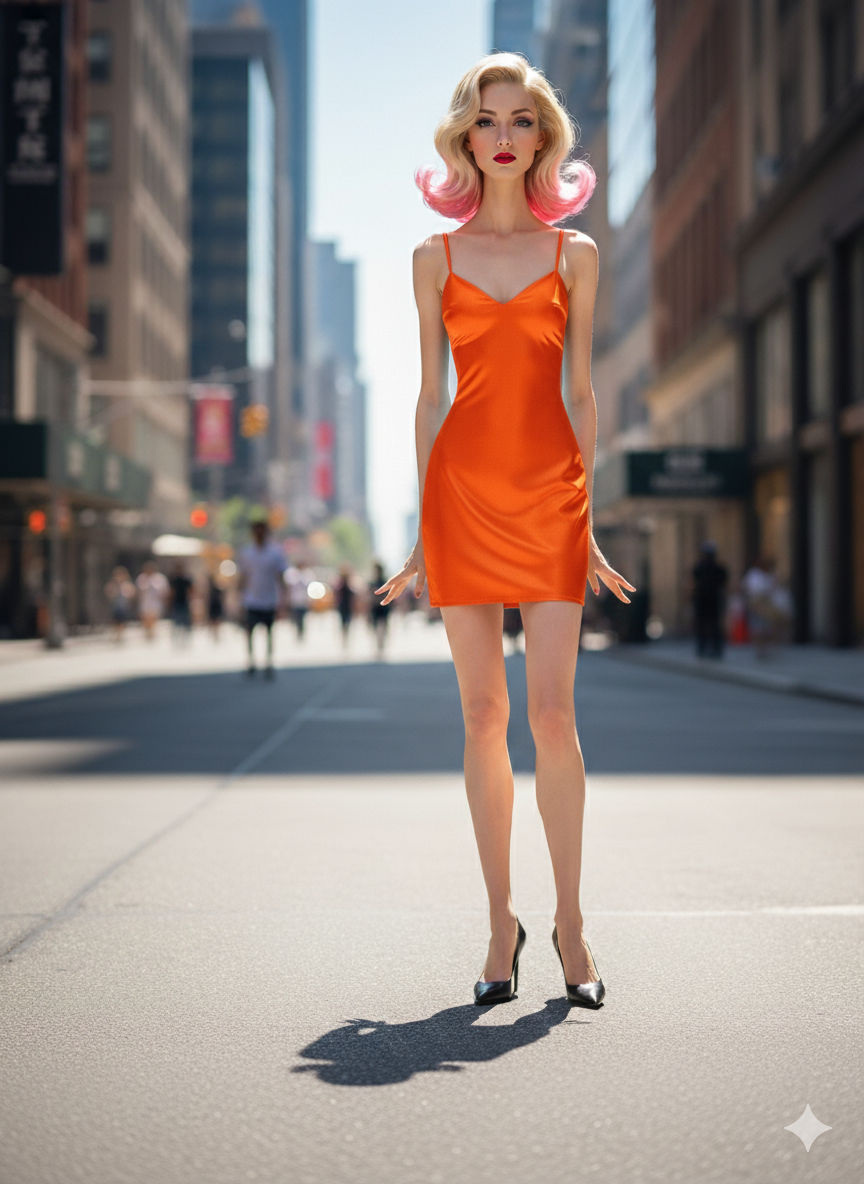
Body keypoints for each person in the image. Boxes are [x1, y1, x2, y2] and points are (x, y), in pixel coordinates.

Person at [374, 53, 636, 1008]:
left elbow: (583, 393)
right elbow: (429, 397)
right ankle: (500, 924)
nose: (503, 136)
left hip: (551, 497)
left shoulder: (576, 256)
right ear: (465, 136)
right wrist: (420, 529)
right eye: (487, 120)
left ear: (542, 138)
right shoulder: (431, 259)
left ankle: (571, 923)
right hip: (463, 498)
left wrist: (587, 519)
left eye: (521, 120)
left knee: (552, 716)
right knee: (483, 717)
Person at [237, 517, 287, 678]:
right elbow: (242, 578)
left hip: (269, 600)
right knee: (249, 632)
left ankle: (268, 662)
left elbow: (281, 577)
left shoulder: (275, 553)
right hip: (251, 600)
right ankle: (251, 660)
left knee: (269, 634)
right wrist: (238, 600)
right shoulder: (247, 553)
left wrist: (284, 600)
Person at [690, 541, 728, 659]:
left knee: (711, 625)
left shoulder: (714, 568)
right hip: (706, 600)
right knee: (708, 625)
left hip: (710, 600)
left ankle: (711, 648)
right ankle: (708, 648)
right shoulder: (702, 567)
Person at [136, 561, 168, 641]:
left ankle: (152, 632)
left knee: (153, 616)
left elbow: (163, 590)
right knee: (145, 617)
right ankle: (147, 632)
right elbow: (139, 590)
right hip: (145, 602)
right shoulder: (142, 578)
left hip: (155, 602)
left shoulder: (160, 578)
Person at [368, 560, 393, 659]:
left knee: (383, 627)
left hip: (384, 608)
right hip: (375, 608)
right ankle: (379, 645)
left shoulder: (385, 581)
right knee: (376, 628)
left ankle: (381, 646)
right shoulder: (372, 582)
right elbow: (369, 595)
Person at [105, 566, 135, 643]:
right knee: (115, 620)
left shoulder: (127, 584)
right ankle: (116, 634)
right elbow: (108, 592)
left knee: (122, 621)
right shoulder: (113, 584)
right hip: (115, 606)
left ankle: (119, 635)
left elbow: (131, 594)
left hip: (123, 606)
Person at [168, 561, 194, 645]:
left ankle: (185, 638)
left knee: (185, 621)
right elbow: (171, 592)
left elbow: (191, 591)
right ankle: (177, 638)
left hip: (184, 602)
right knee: (176, 622)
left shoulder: (186, 579)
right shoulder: (174, 579)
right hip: (176, 602)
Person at [334, 564, 355, 650]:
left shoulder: (350, 582)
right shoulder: (340, 583)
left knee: (347, 623)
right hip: (343, 606)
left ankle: (345, 637)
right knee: (343, 623)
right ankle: (344, 638)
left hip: (348, 606)